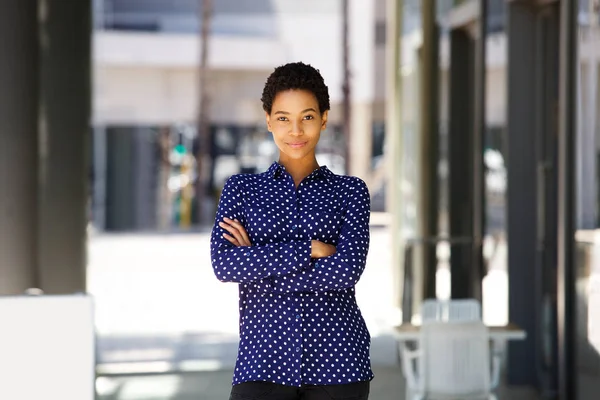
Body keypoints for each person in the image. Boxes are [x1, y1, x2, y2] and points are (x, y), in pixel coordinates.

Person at [210, 62, 372, 400]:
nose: (295, 130)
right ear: (268, 119)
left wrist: (257, 261)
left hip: (339, 363)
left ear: (324, 118)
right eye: (283, 118)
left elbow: (345, 272)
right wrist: (310, 249)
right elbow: (225, 266)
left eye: (308, 117)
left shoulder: (351, 192)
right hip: (262, 362)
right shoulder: (241, 190)